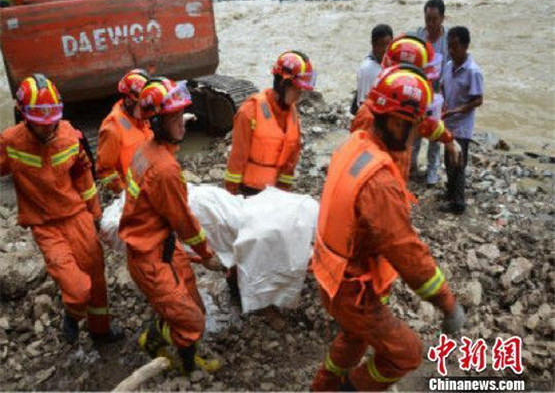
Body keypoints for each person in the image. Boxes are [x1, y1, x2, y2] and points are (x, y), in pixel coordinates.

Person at [311, 65, 465, 392]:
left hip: (331, 272)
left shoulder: (358, 141)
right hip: (351, 288)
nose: (416, 135)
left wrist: (446, 138)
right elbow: (407, 252)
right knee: (406, 354)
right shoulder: (379, 184)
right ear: (396, 123)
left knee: (353, 337)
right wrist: (447, 303)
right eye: (413, 127)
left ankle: (323, 386)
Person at [0, 74, 121, 343]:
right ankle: (72, 312)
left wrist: (96, 216)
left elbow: (84, 178)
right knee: (77, 289)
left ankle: (100, 331)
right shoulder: (10, 142)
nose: (49, 129)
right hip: (45, 226)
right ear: (23, 115)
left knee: (96, 278)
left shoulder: (69, 136)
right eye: (42, 124)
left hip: (78, 216)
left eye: (52, 121)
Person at [118, 77, 223, 374]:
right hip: (150, 257)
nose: (183, 123)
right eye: (174, 117)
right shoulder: (164, 169)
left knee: (193, 304)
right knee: (191, 321)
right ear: (157, 122)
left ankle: (158, 336)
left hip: (161, 246)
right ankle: (187, 366)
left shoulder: (147, 150)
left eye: (182, 114)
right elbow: (183, 221)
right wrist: (207, 254)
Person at [352, 35, 461, 180]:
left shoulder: (395, 108)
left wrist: (449, 140)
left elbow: (426, 124)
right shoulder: (370, 116)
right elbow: (361, 170)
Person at [224, 50, 315, 196]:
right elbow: (237, 159)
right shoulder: (249, 112)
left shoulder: (292, 115)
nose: (299, 95)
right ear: (282, 83)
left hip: (275, 194)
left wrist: (283, 194)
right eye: (297, 89)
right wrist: (231, 196)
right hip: (248, 191)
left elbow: (291, 160)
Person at [440, 26, 484, 214]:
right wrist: (442, 104)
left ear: (465, 46)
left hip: (462, 126)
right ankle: (450, 194)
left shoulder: (473, 71)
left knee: (458, 163)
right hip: (448, 122)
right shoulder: (449, 66)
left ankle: (458, 203)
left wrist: (457, 110)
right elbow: (442, 86)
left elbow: (478, 100)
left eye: (455, 47)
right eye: (449, 46)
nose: (451, 51)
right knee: (449, 160)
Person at [411, 0, 450, 185]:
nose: (431, 24)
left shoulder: (448, 40)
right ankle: (411, 166)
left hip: (438, 95)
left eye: (434, 19)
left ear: (442, 18)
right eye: (428, 19)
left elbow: (451, 69)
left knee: (435, 134)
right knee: (415, 132)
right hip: (418, 93)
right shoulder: (418, 37)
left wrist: (446, 98)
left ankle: (432, 170)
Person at [96, 69, 152, 194]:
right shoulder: (112, 129)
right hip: (133, 195)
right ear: (129, 100)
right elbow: (105, 171)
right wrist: (124, 194)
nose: (147, 112)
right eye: (143, 107)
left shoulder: (140, 119)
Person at [352, 24, 393, 113]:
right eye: (381, 45)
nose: (385, 49)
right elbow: (364, 103)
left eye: (388, 44)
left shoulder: (392, 63)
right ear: (373, 45)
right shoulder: (367, 69)